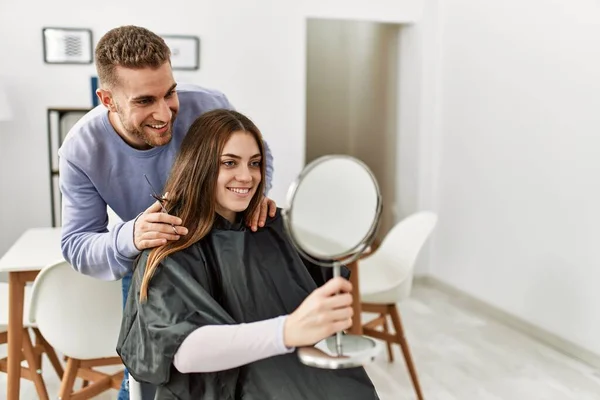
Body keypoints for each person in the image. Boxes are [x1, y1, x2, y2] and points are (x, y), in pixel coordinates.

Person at [57, 25, 276, 399]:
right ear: (107, 99)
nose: (165, 112)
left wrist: (255, 194)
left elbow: (259, 156)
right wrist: (132, 235)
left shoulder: (208, 105)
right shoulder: (81, 151)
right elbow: (77, 245)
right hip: (152, 263)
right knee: (148, 380)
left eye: (169, 92)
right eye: (144, 101)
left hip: (224, 252)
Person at [116, 109, 380, 399]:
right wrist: (287, 331)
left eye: (255, 164)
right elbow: (182, 349)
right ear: (199, 166)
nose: (247, 177)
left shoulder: (275, 225)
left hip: (297, 378)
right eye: (229, 163)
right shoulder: (171, 239)